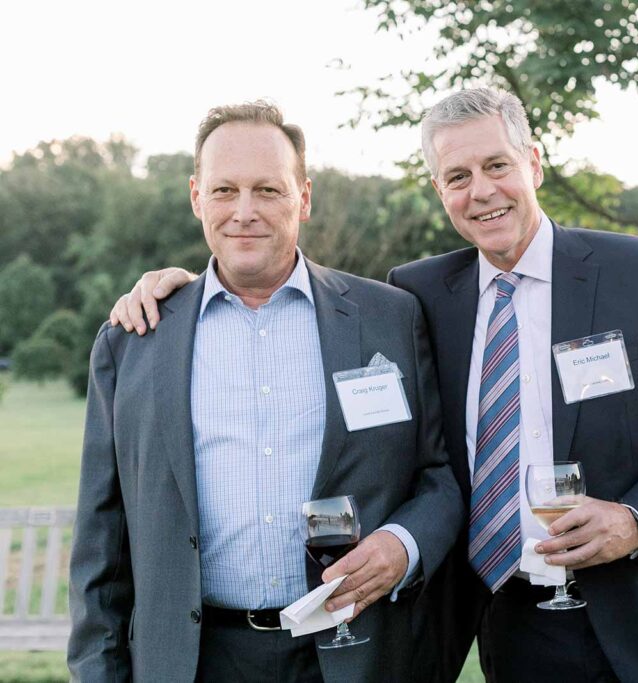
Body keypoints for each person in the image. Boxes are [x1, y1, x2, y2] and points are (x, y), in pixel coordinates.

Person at [109, 88, 638, 683]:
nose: (482, 192)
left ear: (534, 162)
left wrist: (635, 520)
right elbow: (295, 289)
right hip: (512, 622)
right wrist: (185, 288)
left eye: (497, 166)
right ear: (440, 190)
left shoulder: (636, 271)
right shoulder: (417, 297)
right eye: (458, 177)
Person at [68, 102, 463, 683]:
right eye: (224, 190)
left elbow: (440, 475)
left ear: (303, 197)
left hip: (358, 653)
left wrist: (405, 545)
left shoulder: (391, 318)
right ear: (196, 197)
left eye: (268, 190)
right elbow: (101, 540)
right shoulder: (135, 340)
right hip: (192, 662)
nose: (244, 212)